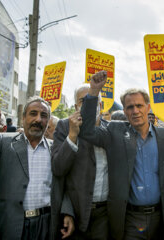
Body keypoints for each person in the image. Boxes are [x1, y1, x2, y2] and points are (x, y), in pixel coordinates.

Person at [79, 71, 164, 240]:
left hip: (162, 218)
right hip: (129, 220)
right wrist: (94, 92)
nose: (135, 111)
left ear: (148, 107)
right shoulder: (114, 132)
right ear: (124, 111)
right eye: (130, 107)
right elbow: (87, 131)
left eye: (139, 106)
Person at [0, 96, 75, 240]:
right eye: (33, 113)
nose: (38, 119)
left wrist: (67, 212)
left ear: (48, 122)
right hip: (12, 224)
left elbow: (64, 183)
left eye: (44, 115)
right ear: (23, 118)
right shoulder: (3, 142)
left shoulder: (55, 148)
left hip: (46, 225)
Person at [52, 84, 110, 239]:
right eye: (82, 101)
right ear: (76, 106)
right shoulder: (64, 126)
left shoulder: (111, 130)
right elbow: (58, 169)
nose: (88, 105)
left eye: (93, 99)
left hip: (106, 215)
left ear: (101, 105)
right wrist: (72, 136)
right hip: (76, 214)